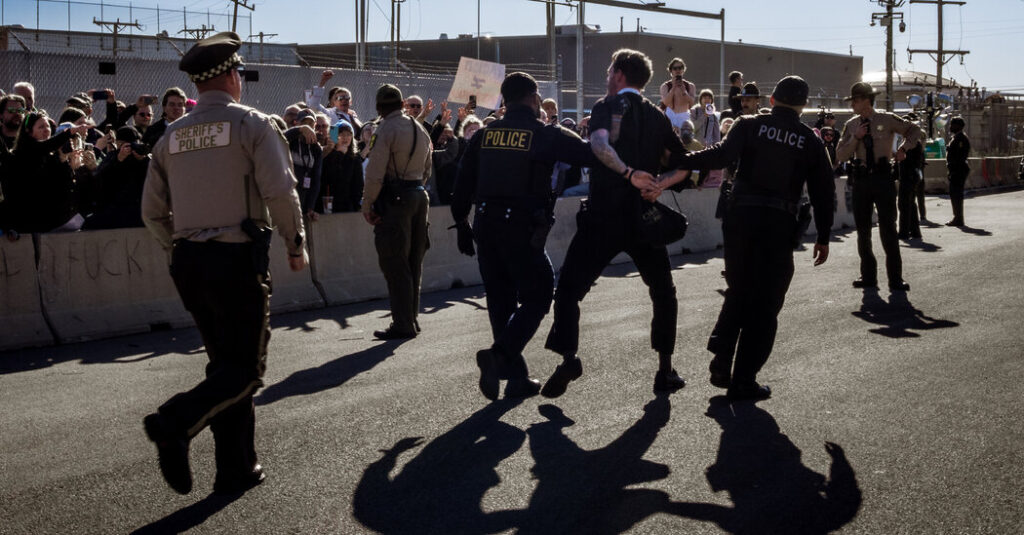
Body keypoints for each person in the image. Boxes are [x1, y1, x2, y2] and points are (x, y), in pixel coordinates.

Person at [140, 31, 308, 496]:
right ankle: (173, 422)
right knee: (247, 371)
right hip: (236, 260)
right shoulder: (252, 124)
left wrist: (178, 250)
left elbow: (152, 213)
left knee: (225, 367)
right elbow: (280, 190)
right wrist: (295, 243)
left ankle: (236, 467)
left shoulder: (168, 137)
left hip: (189, 263)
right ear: (233, 76)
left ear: (196, 85)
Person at [674, 75, 834, 400]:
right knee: (766, 303)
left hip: (740, 221)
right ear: (802, 107)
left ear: (772, 100)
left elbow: (719, 155)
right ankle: (743, 380)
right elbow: (824, 192)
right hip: (778, 226)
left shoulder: (748, 125)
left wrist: (680, 160)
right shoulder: (810, 140)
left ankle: (721, 357)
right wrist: (825, 236)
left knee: (739, 288)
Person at [543, 49, 691, 398]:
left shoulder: (605, 106)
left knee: (568, 290)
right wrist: (658, 185)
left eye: (610, 69)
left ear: (621, 75)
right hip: (645, 219)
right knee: (663, 293)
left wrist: (627, 173)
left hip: (603, 218)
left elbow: (597, 144)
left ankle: (569, 358)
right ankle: (665, 370)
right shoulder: (658, 117)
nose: (608, 75)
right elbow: (685, 165)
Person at [451, 72, 596, 401]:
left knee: (500, 299)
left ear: (504, 100)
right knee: (540, 292)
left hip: (485, 224)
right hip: (520, 228)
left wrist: (460, 222)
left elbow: (462, 184)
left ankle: (516, 379)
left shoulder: (484, 135)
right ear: (533, 99)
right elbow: (587, 155)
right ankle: (500, 355)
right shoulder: (543, 133)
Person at [361, 84, 433, 340]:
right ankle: (411, 318)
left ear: (379, 107)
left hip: (396, 199)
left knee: (395, 261)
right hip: (418, 194)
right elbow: (428, 167)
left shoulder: (385, 129)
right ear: (402, 104)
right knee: (414, 260)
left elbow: (375, 172)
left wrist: (367, 203)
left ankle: (403, 323)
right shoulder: (420, 128)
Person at [835, 82, 921, 292]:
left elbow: (915, 130)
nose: (853, 104)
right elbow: (839, 155)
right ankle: (868, 276)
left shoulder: (887, 119)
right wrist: (856, 138)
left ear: (866, 100)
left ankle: (895, 279)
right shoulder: (852, 125)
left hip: (883, 180)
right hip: (861, 181)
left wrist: (904, 148)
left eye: (855, 100)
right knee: (863, 231)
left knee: (888, 230)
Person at [897, 117, 926, 240]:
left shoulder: (911, 144)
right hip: (912, 175)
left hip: (908, 176)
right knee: (911, 204)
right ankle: (914, 231)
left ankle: (904, 232)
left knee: (904, 204)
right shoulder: (914, 142)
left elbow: (908, 160)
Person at [945, 116, 970, 227]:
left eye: (952, 124)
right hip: (956, 170)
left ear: (958, 126)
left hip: (958, 170)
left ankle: (958, 219)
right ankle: (957, 217)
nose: (950, 126)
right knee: (954, 194)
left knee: (956, 195)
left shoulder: (960, 139)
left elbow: (960, 157)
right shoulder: (956, 137)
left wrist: (954, 170)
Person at [658, 57, 696, 130]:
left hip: (684, 116)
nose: (678, 70)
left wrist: (684, 91)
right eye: (675, 68)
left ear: (683, 70)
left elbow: (691, 103)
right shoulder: (665, 86)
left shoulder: (690, 86)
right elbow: (665, 102)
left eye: (680, 68)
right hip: (670, 116)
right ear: (671, 70)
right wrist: (673, 88)